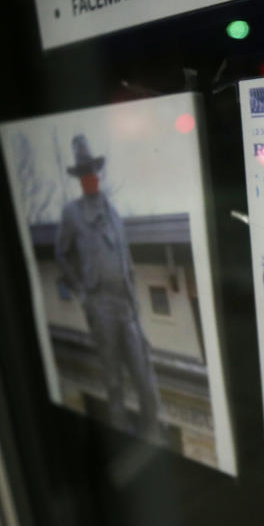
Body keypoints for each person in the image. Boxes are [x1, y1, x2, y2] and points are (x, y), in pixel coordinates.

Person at [55, 134, 162, 437]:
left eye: (93, 172)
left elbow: (125, 256)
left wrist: (133, 296)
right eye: (84, 173)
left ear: (97, 175)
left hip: (126, 305)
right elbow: (61, 254)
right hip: (100, 304)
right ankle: (119, 431)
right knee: (113, 378)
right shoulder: (72, 214)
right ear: (80, 179)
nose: (90, 178)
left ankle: (152, 432)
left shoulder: (113, 211)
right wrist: (82, 293)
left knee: (142, 372)